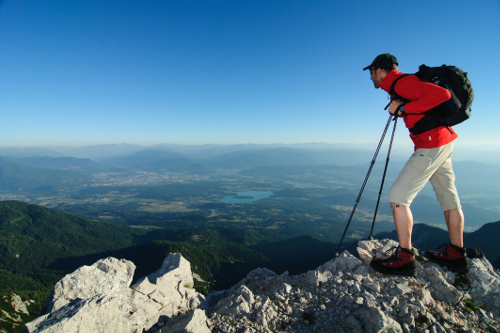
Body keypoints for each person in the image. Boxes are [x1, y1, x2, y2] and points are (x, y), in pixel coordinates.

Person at [363, 53, 468, 276]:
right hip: (443, 142)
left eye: (372, 72)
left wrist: (402, 110)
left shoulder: (403, 83)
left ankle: (405, 258)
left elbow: (442, 94)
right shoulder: (402, 86)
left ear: (381, 70)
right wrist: (403, 108)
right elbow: (424, 105)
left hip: (430, 145)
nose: (371, 77)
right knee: (448, 197)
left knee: (398, 198)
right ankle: (457, 254)